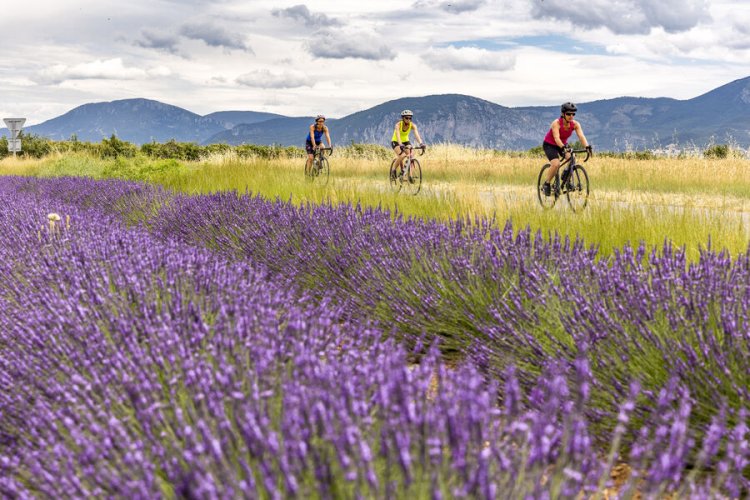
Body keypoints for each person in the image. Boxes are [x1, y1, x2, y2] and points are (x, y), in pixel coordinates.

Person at [541, 102, 592, 196]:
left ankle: (566, 176)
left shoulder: (575, 124)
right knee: (556, 164)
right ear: (563, 114)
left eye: (573, 114)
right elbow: (556, 138)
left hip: (563, 144)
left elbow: (581, 136)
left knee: (572, 158)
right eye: (568, 114)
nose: (571, 116)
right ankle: (546, 184)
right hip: (550, 144)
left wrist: (587, 147)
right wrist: (564, 147)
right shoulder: (556, 123)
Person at [391, 110, 426, 177]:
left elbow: (417, 135)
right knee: (402, 155)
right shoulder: (398, 125)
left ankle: (410, 175)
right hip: (396, 141)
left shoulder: (413, 125)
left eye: (410, 118)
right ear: (403, 118)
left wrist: (421, 143)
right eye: (406, 118)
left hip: (406, 141)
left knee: (411, 155)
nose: (408, 119)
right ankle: (393, 170)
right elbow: (398, 135)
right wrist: (400, 144)